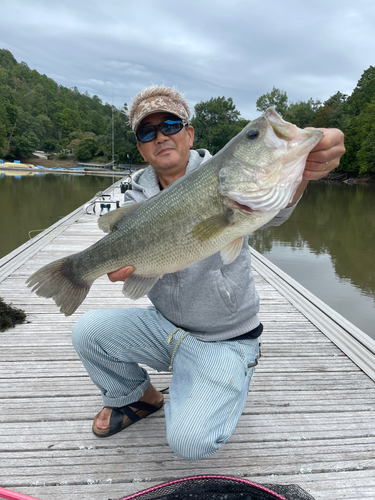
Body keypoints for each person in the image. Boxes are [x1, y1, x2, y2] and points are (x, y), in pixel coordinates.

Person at [72, 86, 345, 461]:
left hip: (225, 337)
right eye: (147, 132)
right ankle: (139, 398)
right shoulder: (137, 197)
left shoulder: (226, 181)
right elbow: (131, 257)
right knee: (88, 333)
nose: (161, 136)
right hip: (165, 327)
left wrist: (312, 157)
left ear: (189, 133)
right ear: (140, 148)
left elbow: (277, 208)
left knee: (191, 442)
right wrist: (106, 268)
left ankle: (227, 377)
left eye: (170, 124)